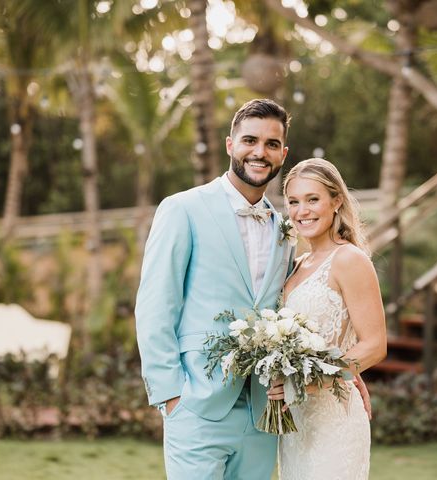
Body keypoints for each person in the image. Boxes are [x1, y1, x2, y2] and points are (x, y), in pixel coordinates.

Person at [135, 98, 296, 479]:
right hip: (196, 405)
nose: (260, 152)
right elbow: (156, 304)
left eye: (272, 144)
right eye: (250, 140)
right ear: (230, 145)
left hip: (262, 413)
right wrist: (171, 396)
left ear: (283, 154)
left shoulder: (286, 229)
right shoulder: (183, 208)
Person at [268, 158, 387, 480]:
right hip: (297, 421)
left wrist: (308, 380)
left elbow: (375, 346)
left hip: (334, 419)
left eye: (312, 199)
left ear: (336, 201)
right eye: (293, 201)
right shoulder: (296, 264)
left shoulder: (349, 259)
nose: (301, 211)